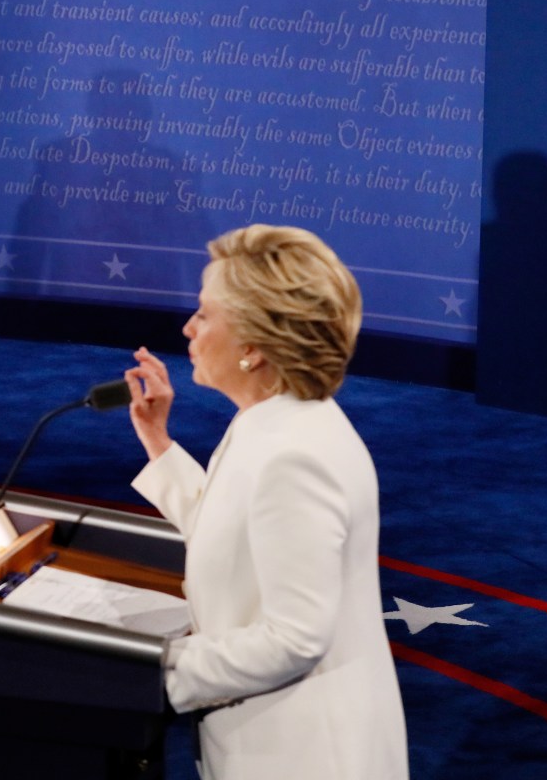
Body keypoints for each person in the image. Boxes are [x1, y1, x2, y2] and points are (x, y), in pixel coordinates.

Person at [122, 224, 407, 780]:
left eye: (204, 315)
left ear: (252, 346)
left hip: (304, 756)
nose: (188, 327)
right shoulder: (277, 420)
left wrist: (151, 672)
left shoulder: (293, 456)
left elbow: (295, 637)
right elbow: (235, 532)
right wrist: (159, 442)